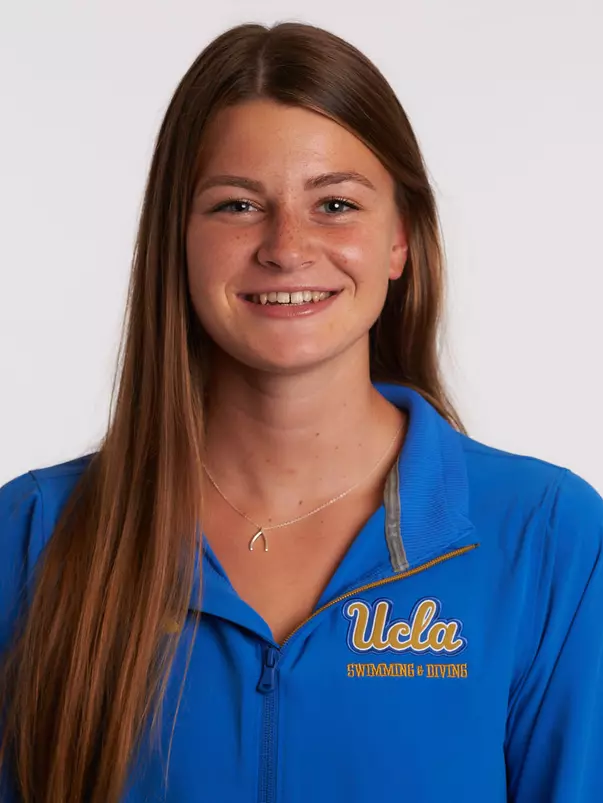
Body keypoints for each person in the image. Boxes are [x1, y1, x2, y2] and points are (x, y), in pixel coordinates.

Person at [1, 19, 602, 803]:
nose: (286, 246)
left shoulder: (545, 537)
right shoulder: (34, 532)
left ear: (399, 241)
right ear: (174, 240)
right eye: (237, 205)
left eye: (336, 204)